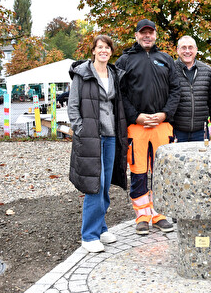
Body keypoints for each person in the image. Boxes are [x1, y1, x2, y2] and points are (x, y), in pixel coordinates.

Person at [115, 19, 180, 235]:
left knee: (162, 173)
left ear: (155, 35)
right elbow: (120, 94)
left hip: (162, 126)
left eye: (150, 33)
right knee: (139, 172)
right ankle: (142, 215)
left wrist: (164, 114)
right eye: (142, 33)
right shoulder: (124, 61)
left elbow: (175, 90)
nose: (146, 36)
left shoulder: (166, 59)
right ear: (136, 35)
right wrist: (137, 116)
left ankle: (160, 214)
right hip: (137, 127)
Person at [68, 35, 128, 253]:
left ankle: (101, 228)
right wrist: (81, 130)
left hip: (111, 136)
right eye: (99, 47)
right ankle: (89, 235)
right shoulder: (82, 75)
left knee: (104, 185)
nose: (103, 50)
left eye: (107, 47)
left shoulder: (113, 74)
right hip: (91, 137)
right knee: (95, 185)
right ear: (93, 51)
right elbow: (73, 106)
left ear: (111, 52)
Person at [172, 35, 211, 142]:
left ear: (196, 50)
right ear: (177, 50)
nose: (187, 51)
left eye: (190, 47)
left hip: (200, 132)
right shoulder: (170, 71)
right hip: (176, 130)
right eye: (183, 48)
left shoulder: (207, 72)